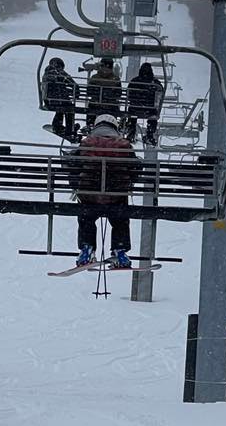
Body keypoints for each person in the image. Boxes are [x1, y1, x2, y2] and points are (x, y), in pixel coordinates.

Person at [64, 113, 140, 267]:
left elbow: (73, 166)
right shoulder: (124, 145)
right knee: (120, 218)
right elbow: (135, 169)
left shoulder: (86, 143)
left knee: (86, 217)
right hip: (116, 196)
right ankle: (120, 249)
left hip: (90, 196)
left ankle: (87, 248)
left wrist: (77, 185)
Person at [125, 62, 162, 145]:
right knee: (153, 116)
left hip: (135, 109)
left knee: (132, 114)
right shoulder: (155, 83)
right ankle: (150, 134)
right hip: (149, 110)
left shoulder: (135, 81)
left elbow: (129, 94)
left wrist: (136, 100)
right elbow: (160, 92)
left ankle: (131, 132)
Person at [41, 57, 77, 140]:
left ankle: (57, 125)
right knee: (70, 109)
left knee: (60, 110)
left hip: (49, 99)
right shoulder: (58, 72)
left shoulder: (47, 72)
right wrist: (76, 91)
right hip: (59, 99)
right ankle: (69, 129)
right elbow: (71, 82)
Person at [85, 56, 122, 130]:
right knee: (114, 109)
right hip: (110, 105)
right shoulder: (115, 79)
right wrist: (109, 95)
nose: (105, 70)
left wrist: (98, 94)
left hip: (96, 104)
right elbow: (118, 94)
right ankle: (113, 126)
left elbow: (89, 91)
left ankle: (90, 125)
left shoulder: (95, 77)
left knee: (91, 107)